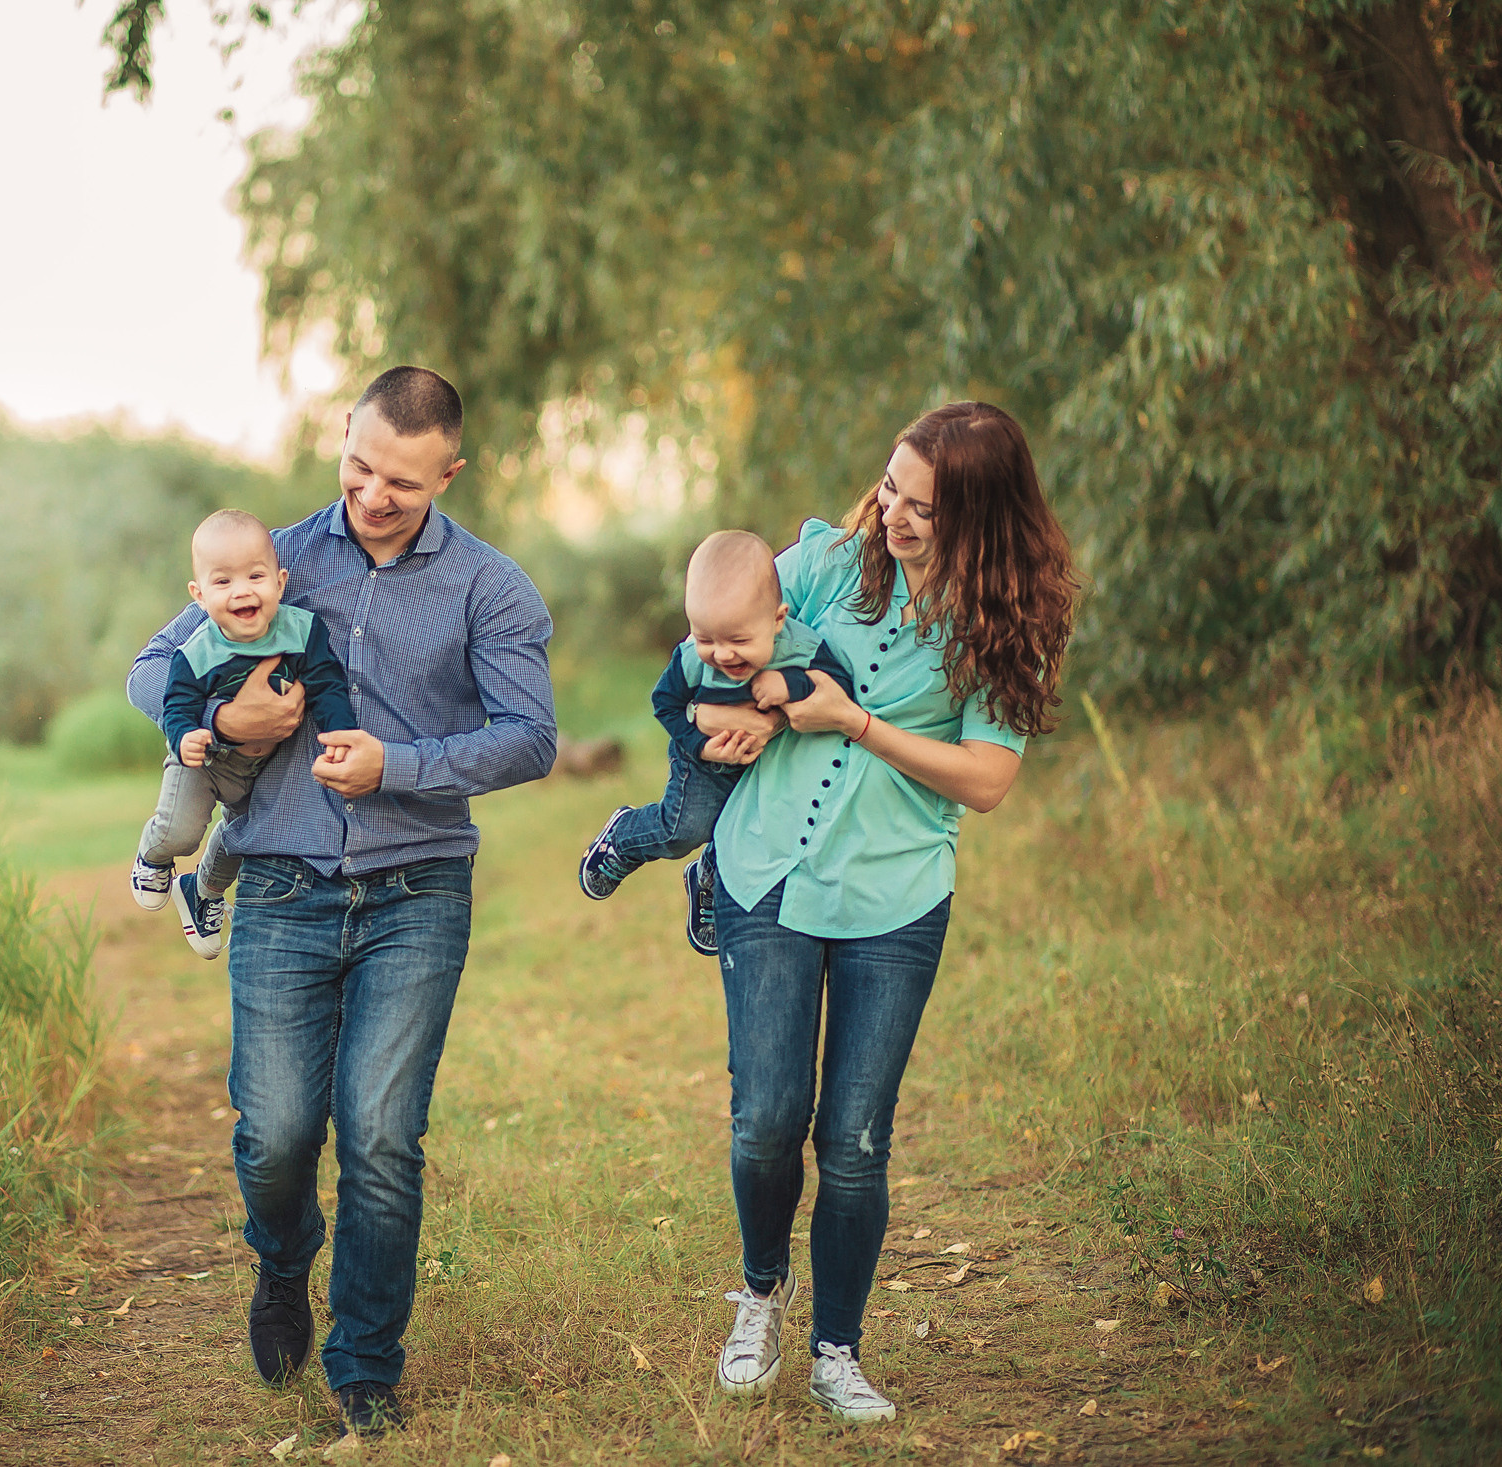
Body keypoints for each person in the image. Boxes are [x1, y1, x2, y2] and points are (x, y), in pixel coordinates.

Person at [126, 366, 556, 1441]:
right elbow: (146, 671)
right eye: (360, 466)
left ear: (448, 474)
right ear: (345, 442)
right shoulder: (267, 559)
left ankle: (364, 1363)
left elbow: (530, 736)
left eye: (402, 483)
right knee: (275, 1134)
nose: (372, 494)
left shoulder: (490, 587)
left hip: (418, 892)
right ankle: (281, 1264)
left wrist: (398, 766)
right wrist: (227, 723)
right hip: (279, 884)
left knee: (379, 1135)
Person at [687, 402, 1078, 1421]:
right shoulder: (825, 561)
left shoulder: (1007, 620)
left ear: (980, 522)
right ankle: (761, 1295)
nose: (892, 516)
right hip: (768, 873)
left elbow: (986, 780)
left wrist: (852, 720)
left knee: (855, 1138)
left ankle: (835, 1349)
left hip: (896, 894)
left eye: (921, 508)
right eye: (889, 488)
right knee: (768, 1117)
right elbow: (712, 643)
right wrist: (729, 713)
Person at [575, 529, 852, 956]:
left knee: (751, 830)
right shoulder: (690, 661)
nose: (722, 655)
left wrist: (790, 683)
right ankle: (623, 837)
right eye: (706, 639)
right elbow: (664, 702)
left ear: (777, 620)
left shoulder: (802, 647)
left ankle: (707, 877)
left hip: (763, 760)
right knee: (684, 828)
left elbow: (840, 684)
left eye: (738, 641)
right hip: (701, 760)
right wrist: (700, 747)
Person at [129, 509, 359, 958]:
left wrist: (339, 734)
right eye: (223, 582)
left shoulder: (302, 631)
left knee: (242, 840)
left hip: (261, 768)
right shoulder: (197, 649)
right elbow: (177, 702)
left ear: (280, 581)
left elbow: (329, 684)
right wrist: (191, 733)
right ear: (199, 595)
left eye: (256, 576)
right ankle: (153, 858)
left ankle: (202, 891)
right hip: (202, 761)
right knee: (181, 831)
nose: (242, 591)